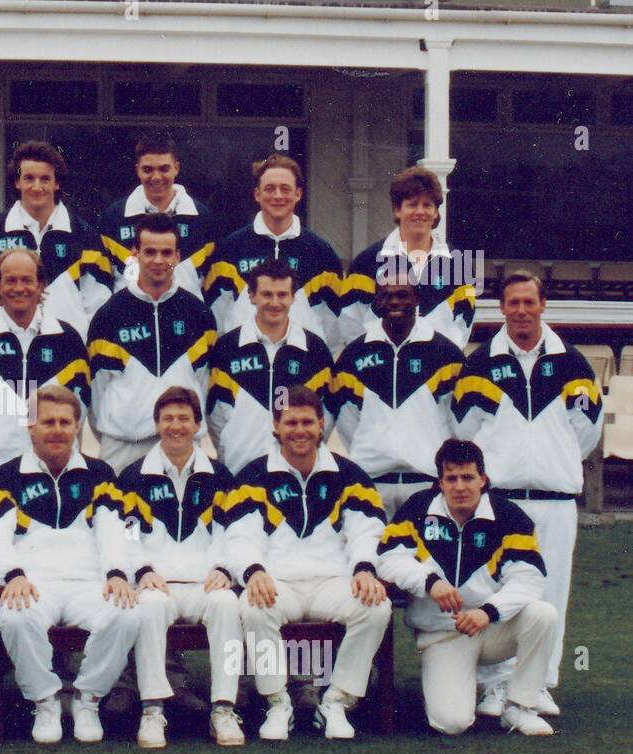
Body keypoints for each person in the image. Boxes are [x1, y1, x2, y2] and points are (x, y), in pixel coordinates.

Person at [452, 272, 601, 718]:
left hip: (555, 501)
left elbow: (586, 434)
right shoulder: (479, 363)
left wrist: (548, 464)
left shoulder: (573, 363)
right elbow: (465, 431)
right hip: (501, 501)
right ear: (502, 308)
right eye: (512, 303)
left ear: (542, 305)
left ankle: (537, 685)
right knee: (497, 590)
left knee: (549, 593)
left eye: (528, 302)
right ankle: (495, 686)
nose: (520, 310)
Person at [223, 386, 391, 740]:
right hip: (279, 582)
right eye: (291, 422)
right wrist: (254, 571)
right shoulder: (253, 475)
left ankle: (337, 700)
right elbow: (240, 535)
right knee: (253, 608)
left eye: (307, 422)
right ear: (275, 426)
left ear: (321, 425)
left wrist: (364, 567)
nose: (299, 430)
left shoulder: (349, 474)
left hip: (332, 581)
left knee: (376, 607)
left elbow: (368, 529)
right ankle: (277, 701)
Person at [0, 385, 140, 745]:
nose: (56, 429)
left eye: (65, 422)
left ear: (77, 426)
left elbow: (113, 530)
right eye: (47, 421)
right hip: (35, 583)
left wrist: (116, 573)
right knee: (16, 615)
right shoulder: (7, 477)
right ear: (30, 426)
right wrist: (14, 575)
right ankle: (46, 701)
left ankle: (87, 699)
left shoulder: (100, 473)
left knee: (128, 613)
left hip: (88, 582)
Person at [377, 439, 557, 736]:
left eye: (468, 477)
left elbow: (529, 577)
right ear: (440, 482)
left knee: (543, 615)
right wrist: (430, 582)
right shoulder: (418, 508)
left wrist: (488, 612)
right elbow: (387, 558)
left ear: (482, 480)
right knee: (451, 723)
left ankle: (519, 707)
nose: (460, 487)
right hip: (441, 634)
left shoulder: (509, 516)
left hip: (490, 629)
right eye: (451, 478)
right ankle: (458, 683)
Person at [118, 387, 244, 748]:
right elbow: (125, 537)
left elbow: (231, 531)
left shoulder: (220, 475)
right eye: (168, 418)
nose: (176, 426)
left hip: (205, 584)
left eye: (184, 418)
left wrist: (223, 568)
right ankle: (153, 710)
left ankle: (223, 708)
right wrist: (142, 572)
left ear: (198, 425)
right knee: (150, 607)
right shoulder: (131, 476)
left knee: (227, 605)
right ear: (157, 424)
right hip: (158, 584)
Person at [0, 247, 91, 494]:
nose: (19, 288)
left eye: (27, 280)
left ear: (41, 284)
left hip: (48, 473)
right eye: (10, 280)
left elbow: (80, 407)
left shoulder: (68, 341)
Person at [87, 213, 218, 472]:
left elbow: (204, 382)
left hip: (183, 442)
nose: (159, 260)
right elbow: (98, 391)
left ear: (178, 256)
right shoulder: (109, 314)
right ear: (135, 254)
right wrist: (122, 423)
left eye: (167, 253)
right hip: (124, 444)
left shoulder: (198, 314)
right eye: (150, 252)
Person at [332, 271, 464, 516]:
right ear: (377, 302)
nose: (393, 302)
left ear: (417, 299)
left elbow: (458, 423)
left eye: (402, 295)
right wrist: (374, 447)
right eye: (386, 296)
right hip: (372, 484)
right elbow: (347, 422)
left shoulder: (447, 354)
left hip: (428, 484)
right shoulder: (354, 355)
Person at [0, 141, 112, 339]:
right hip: (6, 354)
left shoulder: (84, 236)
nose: (37, 187)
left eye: (45, 179)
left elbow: (99, 306)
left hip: (68, 355)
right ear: (17, 181)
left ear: (57, 183)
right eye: (29, 178)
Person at [205, 258, 334, 476]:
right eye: (267, 294)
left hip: (295, 474)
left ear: (293, 297)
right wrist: (230, 446)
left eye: (282, 294)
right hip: (240, 469)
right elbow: (215, 414)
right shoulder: (227, 347)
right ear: (252, 296)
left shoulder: (315, 350)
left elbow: (325, 415)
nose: (275, 302)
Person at [202, 154, 344, 352]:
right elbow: (214, 319)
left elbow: (334, 331)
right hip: (242, 364)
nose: (277, 196)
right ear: (257, 194)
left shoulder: (321, 253)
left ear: (298, 194)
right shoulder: (230, 249)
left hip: (303, 368)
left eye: (285, 189)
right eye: (269, 189)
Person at [338, 166, 477, 350]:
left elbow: (463, 324)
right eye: (412, 204)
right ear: (397, 210)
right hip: (382, 368)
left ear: (436, 212)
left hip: (438, 370)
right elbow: (351, 323)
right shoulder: (367, 262)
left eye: (427, 205)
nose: (420, 211)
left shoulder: (459, 265)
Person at [99, 133, 215, 296]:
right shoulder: (114, 217)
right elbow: (103, 280)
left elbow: (212, 280)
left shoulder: (202, 217)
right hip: (131, 316)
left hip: (187, 316)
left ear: (176, 168)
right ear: (137, 170)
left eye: (163, 169)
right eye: (148, 169)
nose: (156, 177)